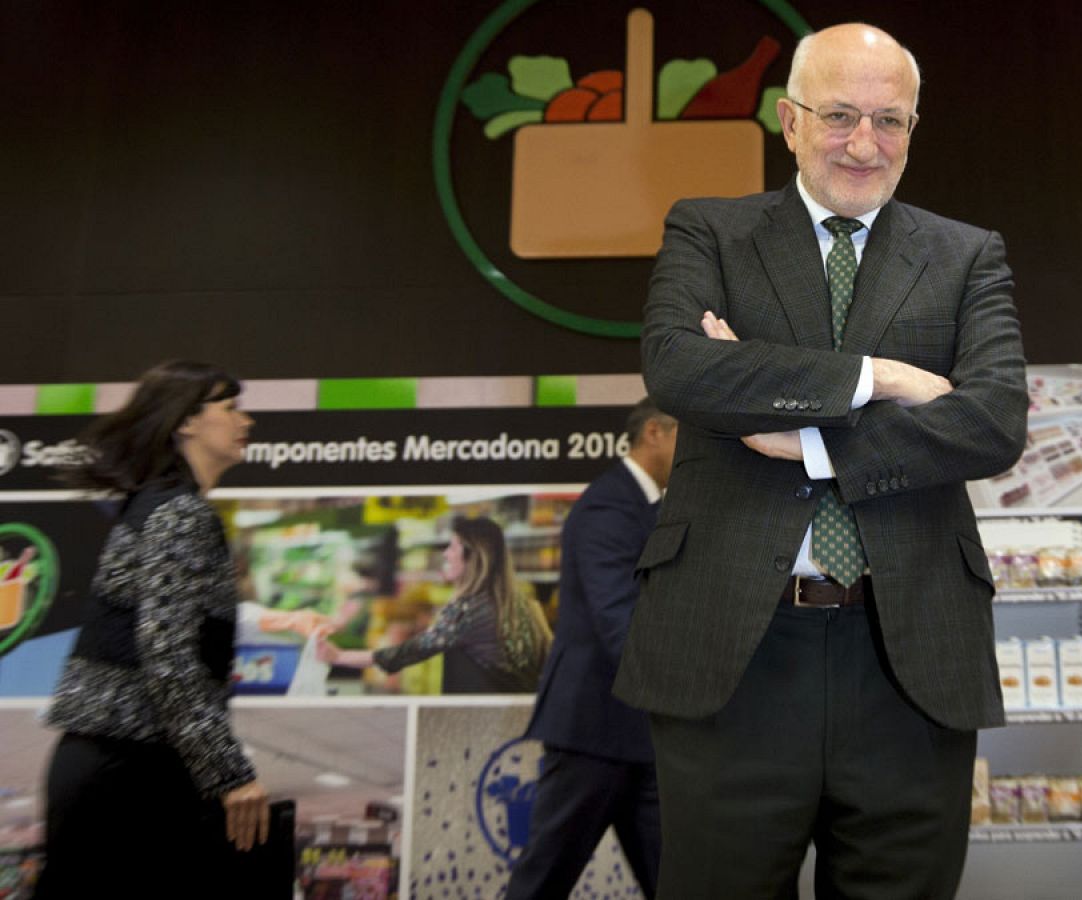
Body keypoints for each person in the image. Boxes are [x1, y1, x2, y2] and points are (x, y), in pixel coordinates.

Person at [613, 23, 1027, 899]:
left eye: (891, 120)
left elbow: (992, 424)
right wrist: (891, 379)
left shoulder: (965, 255)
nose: (865, 144)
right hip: (733, 654)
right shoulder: (711, 234)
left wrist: (809, 436)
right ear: (788, 121)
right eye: (840, 115)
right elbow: (684, 370)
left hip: (911, 657)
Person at [36, 360, 272, 897]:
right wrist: (230, 772)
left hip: (113, 766)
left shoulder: (156, 506)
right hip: (127, 774)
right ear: (186, 421)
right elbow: (167, 656)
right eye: (230, 407)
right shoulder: (181, 514)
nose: (246, 420)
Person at [506, 398, 677, 899]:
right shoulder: (608, 504)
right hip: (593, 734)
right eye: (687, 434)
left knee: (676, 881)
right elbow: (617, 617)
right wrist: (682, 692)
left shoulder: (650, 506)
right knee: (542, 881)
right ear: (654, 433)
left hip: (641, 736)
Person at [317, 516, 551, 694]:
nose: (446, 554)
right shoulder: (525, 605)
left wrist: (340, 657)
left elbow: (410, 651)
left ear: (472, 557)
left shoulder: (470, 612)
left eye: (453, 548)